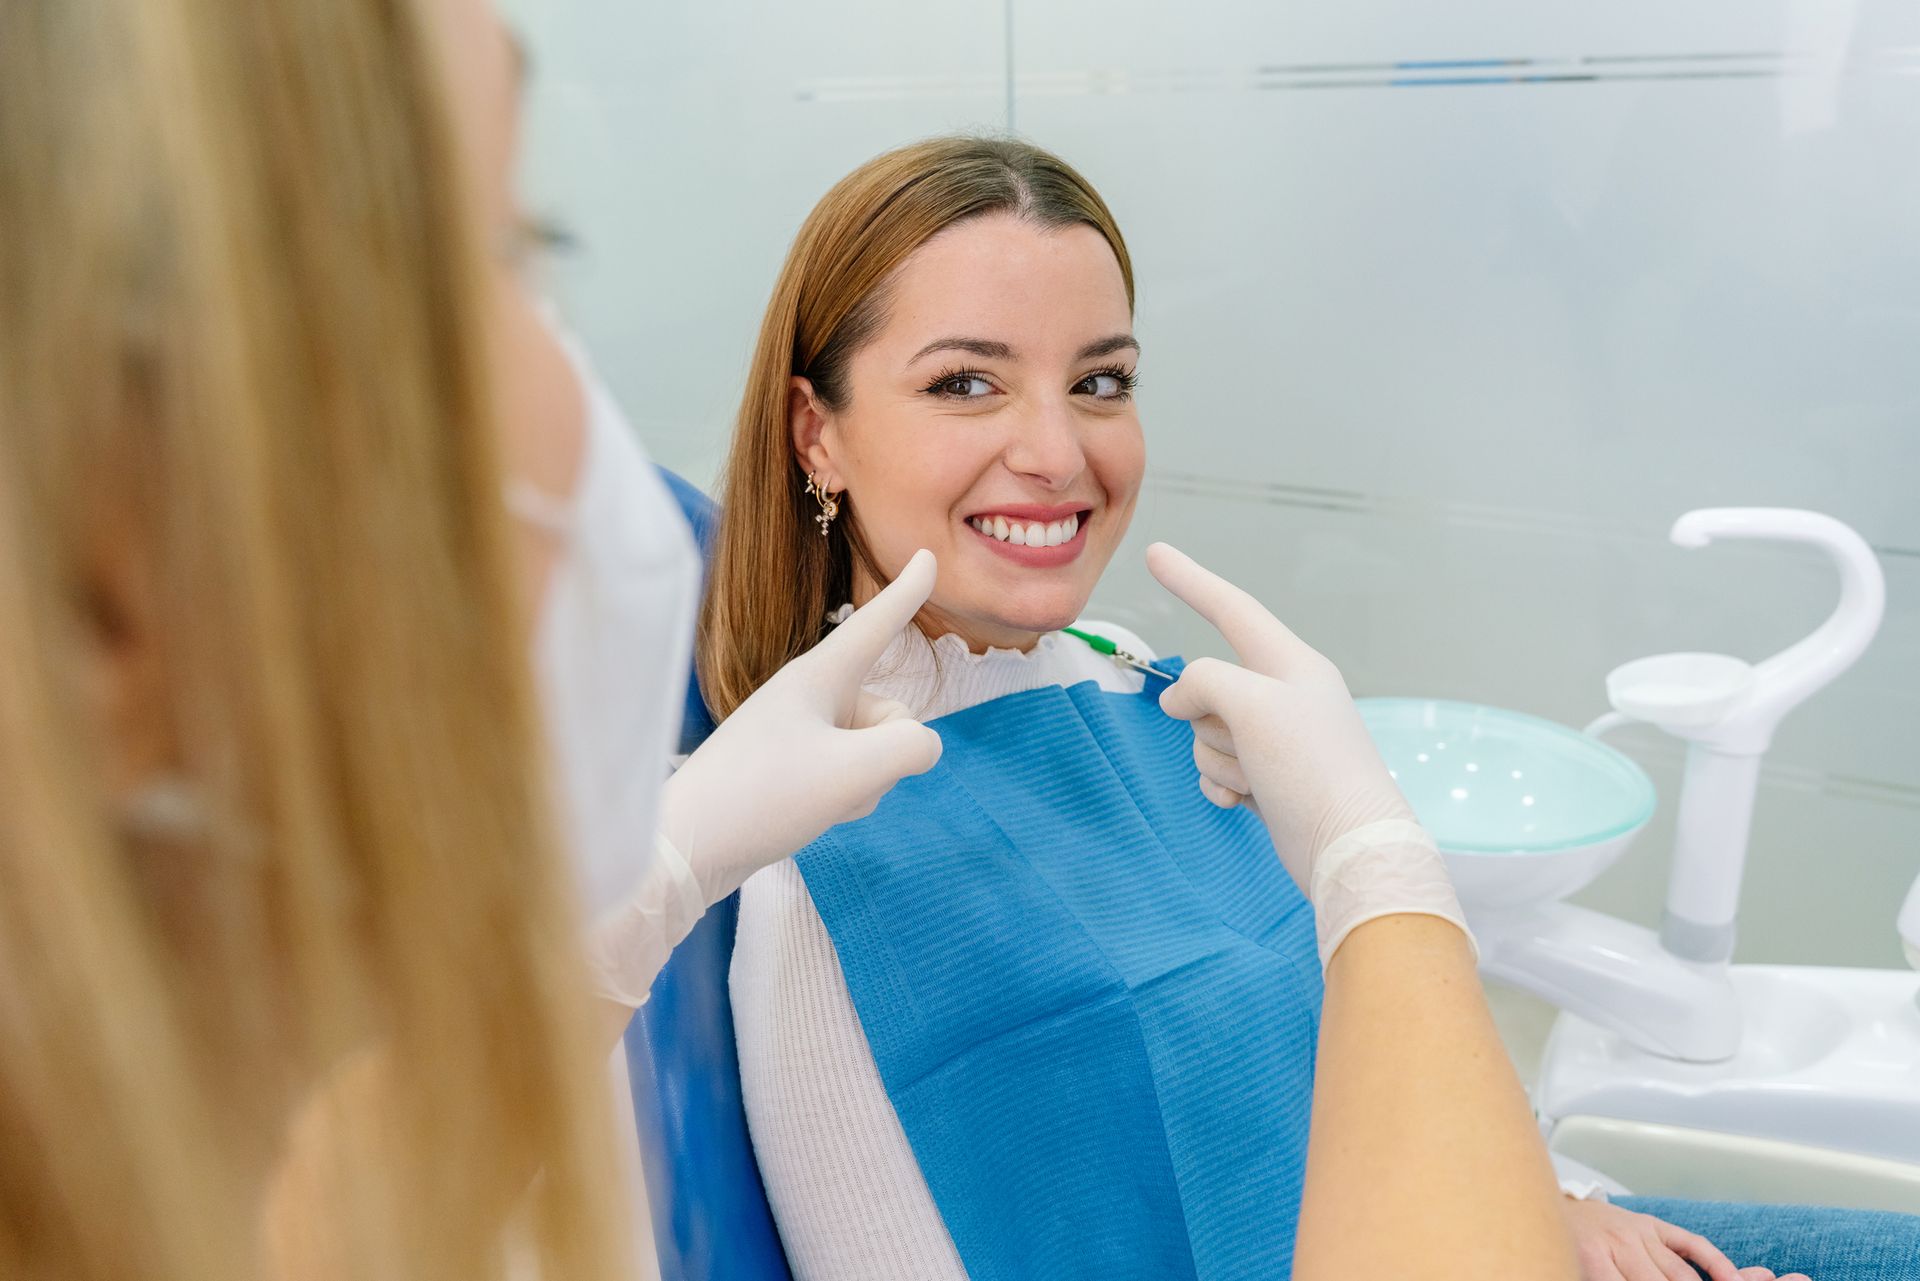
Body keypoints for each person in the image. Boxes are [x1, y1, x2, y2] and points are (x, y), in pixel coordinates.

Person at [706, 134, 1909, 1280]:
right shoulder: (815, 844)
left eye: (1101, 382)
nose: (1058, 453)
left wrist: (1530, 1196)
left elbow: (1341, 1051)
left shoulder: (1132, 677)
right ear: (820, 435)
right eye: (967, 383)